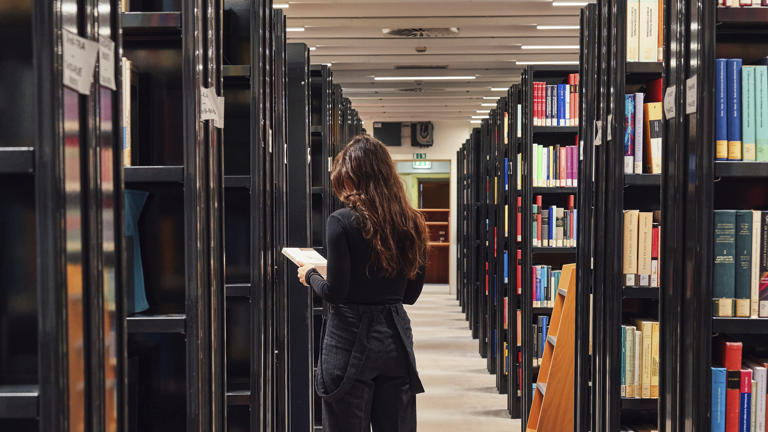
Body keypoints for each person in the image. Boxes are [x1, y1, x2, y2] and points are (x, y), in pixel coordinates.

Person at [296, 134, 428, 432]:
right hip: (395, 341)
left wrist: (311, 274)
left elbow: (336, 293)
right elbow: (410, 294)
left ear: (352, 177)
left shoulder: (341, 221)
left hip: (349, 339)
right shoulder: (412, 222)